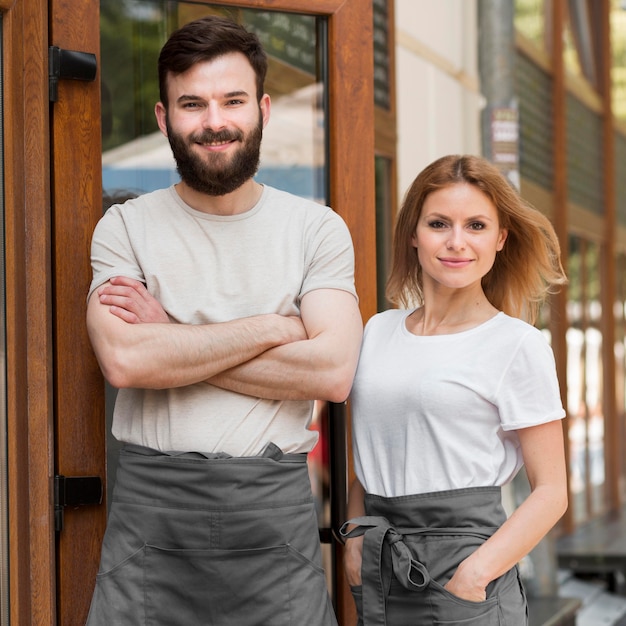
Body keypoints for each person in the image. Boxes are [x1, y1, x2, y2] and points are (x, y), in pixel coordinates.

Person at [85, 15, 362, 626]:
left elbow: (335, 371)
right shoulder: (125, 227)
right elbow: (128, 361)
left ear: (261, 108)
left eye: (232, 100)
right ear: (164, 118)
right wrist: (274, 328)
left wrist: (173, 338)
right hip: (151, 521)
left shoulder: (316, 228)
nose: (215, 122)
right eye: (192, 104)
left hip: (273, 517)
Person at [341, 154, 568, 625]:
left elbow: (552, 492)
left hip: (466, 573)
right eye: (439, 223)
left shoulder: (516, 344)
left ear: (501, 238)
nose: (456, 242)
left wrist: (475, 574)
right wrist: (355, 546)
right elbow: (375, 451)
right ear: (413, 233)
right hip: (382, 566)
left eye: (477, 226)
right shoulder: (377, 332)